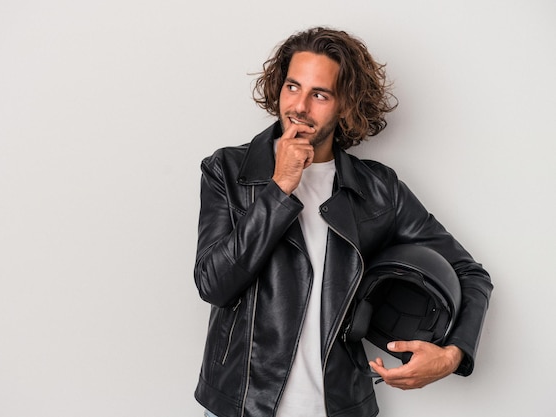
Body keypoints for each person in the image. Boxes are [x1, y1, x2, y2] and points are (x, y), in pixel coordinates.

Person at [193, 27, 493, 417]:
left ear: (346, 105)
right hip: (241, 404)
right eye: (292, 87)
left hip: (340, 406)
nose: (299, 106)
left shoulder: (378, 190)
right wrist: (280, 187)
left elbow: (469, 272)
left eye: (319, 95)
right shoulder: (228, 171)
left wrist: (452, 355)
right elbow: (213, 284)